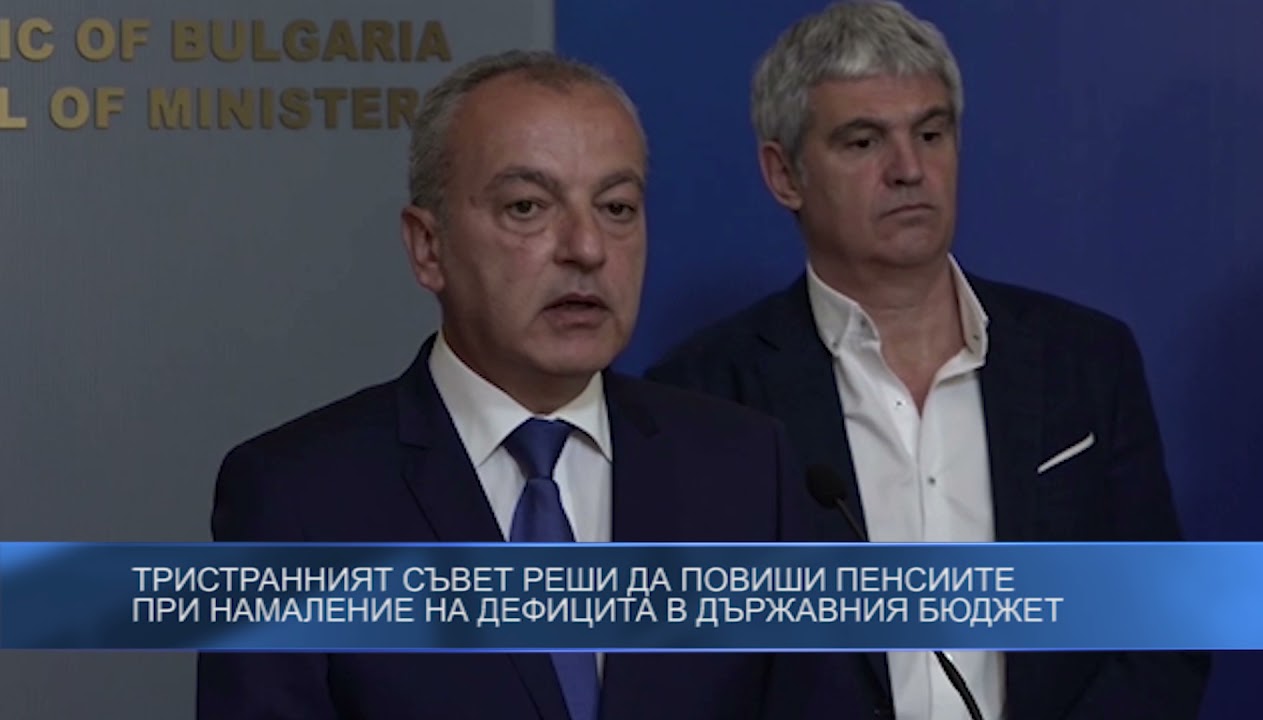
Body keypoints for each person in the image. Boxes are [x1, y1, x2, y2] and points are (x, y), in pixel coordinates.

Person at [197, 50, 829, 720]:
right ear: (428, 247)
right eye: (528, 207)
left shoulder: (745, 471)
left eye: (617, 207)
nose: (587, 248)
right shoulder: (296, 501)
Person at [646, 2, 1210, 719]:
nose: (909, 170)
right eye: (863, 142)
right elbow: (692, 672)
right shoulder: (703, 395)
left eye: (931, 134)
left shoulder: (1086, 362)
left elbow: (1163, 632)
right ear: (784, 174)